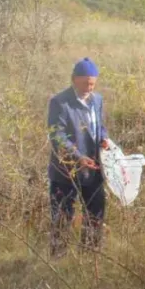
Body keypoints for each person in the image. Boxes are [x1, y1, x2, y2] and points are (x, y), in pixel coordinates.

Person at [48, 57, 111, 257]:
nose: (88, 87)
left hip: (93, 169)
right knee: (63, 215)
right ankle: (59, 259)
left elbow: (98, 126)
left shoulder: (97, 100)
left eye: (92, 83)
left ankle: (90, 256)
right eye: (84, 83)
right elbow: (56, 135)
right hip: (66, 170)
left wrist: (104, 139)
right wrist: (78, 157)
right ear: (74, 79)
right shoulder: (60, 102)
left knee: (95, 212)